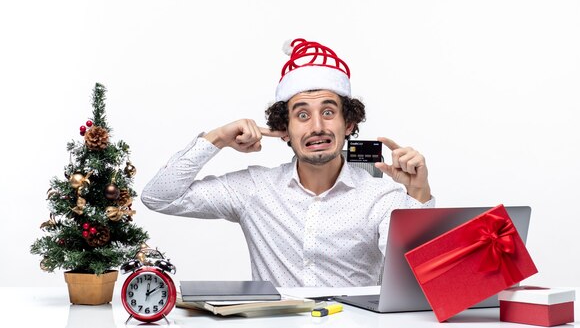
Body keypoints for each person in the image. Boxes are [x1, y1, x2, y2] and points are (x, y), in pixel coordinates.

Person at [141, 38, 434, 287]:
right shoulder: (255, 189)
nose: (317, 126)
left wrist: (418, 194)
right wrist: (218, 138)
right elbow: (159, 197)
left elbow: (421, 280)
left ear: (349, 124)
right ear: (285, 130)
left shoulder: (379, 197)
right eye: (302, 115)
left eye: (329, 112)